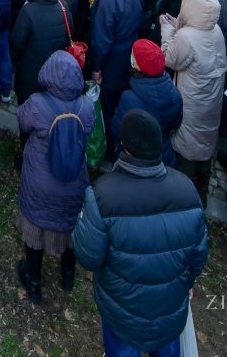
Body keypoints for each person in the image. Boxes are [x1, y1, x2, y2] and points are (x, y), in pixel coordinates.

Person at [73, 109, 209, 357]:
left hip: (122, 313)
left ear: (125, 147)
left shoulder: (102, 195)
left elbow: (88, 256)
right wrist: (186, 282)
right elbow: (199, 256)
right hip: (168, 310)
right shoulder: (187, 192)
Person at [16, 51, 95, 304]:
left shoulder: (37, 103)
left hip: (40, 183)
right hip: (75, 182)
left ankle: (34, 283)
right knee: (70, 226)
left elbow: (22, 121)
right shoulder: (86, 106)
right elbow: (90, 129)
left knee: (35, 229)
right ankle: (68, 275)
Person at [160, 0, 227, 195]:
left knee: (188, 143)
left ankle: (186, 191)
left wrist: (168, 32)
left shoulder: (186, 37)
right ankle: (204, 181)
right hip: (210, 99)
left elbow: (168, 59)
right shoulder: (216, 30)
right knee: (205, 138)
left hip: (191, 99)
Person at [89, 0, 145, 153]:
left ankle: (109, 145)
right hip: (128, 52)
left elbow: (101, 39)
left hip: (112, 58)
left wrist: (96, 67)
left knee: (108, 102)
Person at [111, 39, 182, 166]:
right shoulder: (175, 94)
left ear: (138, 66)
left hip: (133, 160)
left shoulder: (129, 98)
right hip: (163, 157)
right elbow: (175, 124)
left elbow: (117, 130)